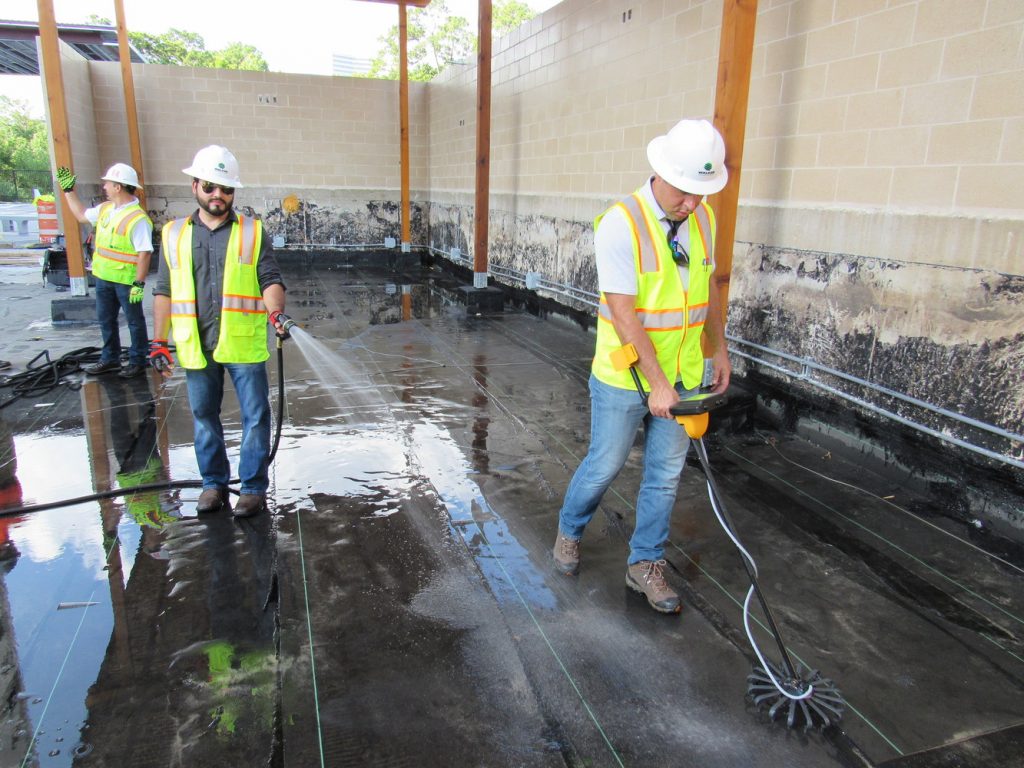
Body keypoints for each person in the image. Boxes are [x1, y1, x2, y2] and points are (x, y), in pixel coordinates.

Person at [553, 119, 732, 614]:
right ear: (661, 172)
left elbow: (708, 289)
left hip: (686, 371)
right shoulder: (621, 223)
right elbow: (624, 311)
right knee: (605, 464)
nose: (693, 204)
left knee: (666, 475)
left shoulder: (704, 221)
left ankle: (645, 565)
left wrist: (719, 349)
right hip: (626, 377)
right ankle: (569, 530)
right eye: (686, 192)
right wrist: (656, 383)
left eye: (702, 192)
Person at [148, 145, 291, 518]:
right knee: (204, 416)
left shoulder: (252, 232)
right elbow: (163, 290)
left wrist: (275, 313)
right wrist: (158, 342)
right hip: (196, 345)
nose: (218, 195)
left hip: (242, 343)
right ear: (194, 185)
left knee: (256, 417)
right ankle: (213, 485)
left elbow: (270, 280)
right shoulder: (174, 234)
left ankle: (252, 489)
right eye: (210, 187)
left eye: (226, 189)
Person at [57, 163, 153, 378]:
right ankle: (110, 359)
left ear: (118, 187)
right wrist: (68, 192)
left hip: (126, 281)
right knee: (105, 320)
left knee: (134, 322)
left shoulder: (137, 219)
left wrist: (139, 283)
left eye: (108, 183)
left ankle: (138, 360)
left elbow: (145, 253)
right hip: (103, 277)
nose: (104, 187)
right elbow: (82, 215)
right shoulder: (105, 210)